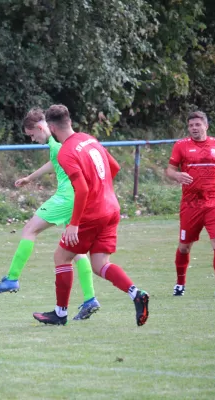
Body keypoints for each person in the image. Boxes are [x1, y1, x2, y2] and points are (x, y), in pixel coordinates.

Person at [32, 104, 149, 326]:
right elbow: (114, 167)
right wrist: (102, 189)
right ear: (69, 121)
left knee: (61, 257)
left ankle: (60, 314)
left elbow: (83, 190)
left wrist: (74, 224)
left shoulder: (66, 152)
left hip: (92, 212)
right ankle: (136, 294)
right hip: (111, 208)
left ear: (53, 127)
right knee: (100, 264)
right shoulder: (89, 139)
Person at [0, 107, 101, 320]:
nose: (32, 139)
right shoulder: (58, 143)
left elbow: (58, 157)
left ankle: (12, 278)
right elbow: (55, 161)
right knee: (76, 251)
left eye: (32, 135)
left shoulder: (56, 143)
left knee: (30, 229)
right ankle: (89, 299)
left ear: (41, 127)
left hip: (66, 198)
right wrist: (31, 177)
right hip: (76, 200)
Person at [165, 110, 215, 297]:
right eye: (191, 125)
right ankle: (180, 284)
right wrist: (176, 175)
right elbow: (169, 170)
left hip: (214, 202)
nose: (194, 128)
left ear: (206, 125)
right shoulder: (181, 146)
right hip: (190, 204)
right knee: (184, 246)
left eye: (198, 124)